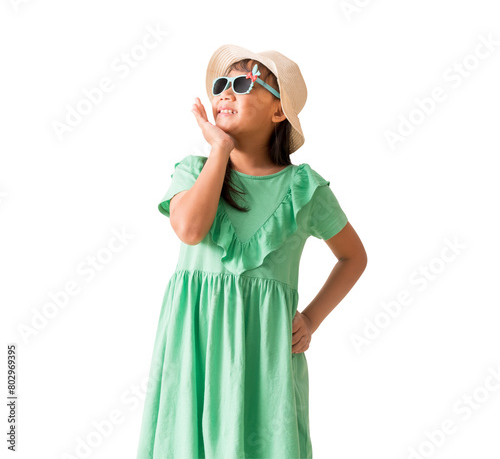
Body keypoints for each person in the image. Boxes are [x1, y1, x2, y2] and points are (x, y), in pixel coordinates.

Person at [136, 44, 367, 459]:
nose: (224, 92)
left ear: (279, 111)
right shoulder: (193, 170)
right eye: (220, 85)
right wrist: (219, 151)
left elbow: (353, 257)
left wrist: (311, 319)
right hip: (196, 345)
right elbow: (189, 230)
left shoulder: (303, 188)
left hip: (266, 352)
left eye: (242, 83)